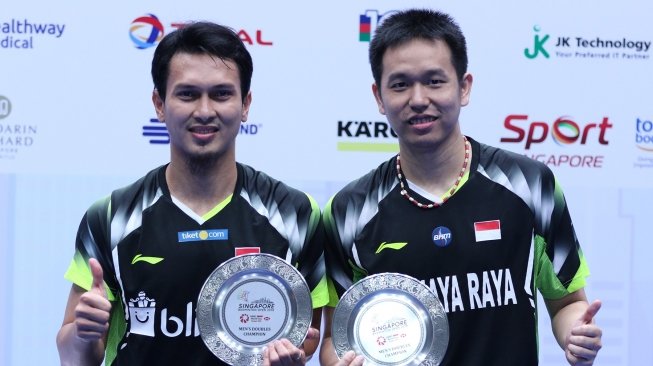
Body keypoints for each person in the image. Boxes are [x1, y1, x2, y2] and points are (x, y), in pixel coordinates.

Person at [320, 8, 602, 366]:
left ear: (464, 87)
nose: (418, 99)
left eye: (435, 81)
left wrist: (576, 334)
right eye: (400, 84)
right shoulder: (347, 212)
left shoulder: (530, 185)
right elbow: (335, 338)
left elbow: (567, 302)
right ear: (379, 97)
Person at [56, 21, 328, 366]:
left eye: (221, 94)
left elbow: (304, 343)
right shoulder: (111, 216)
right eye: (187, 94)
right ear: (159, 103)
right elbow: (73, 358)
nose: (204, 111)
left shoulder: (296, 214)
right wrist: (84, 332)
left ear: (245, 104)